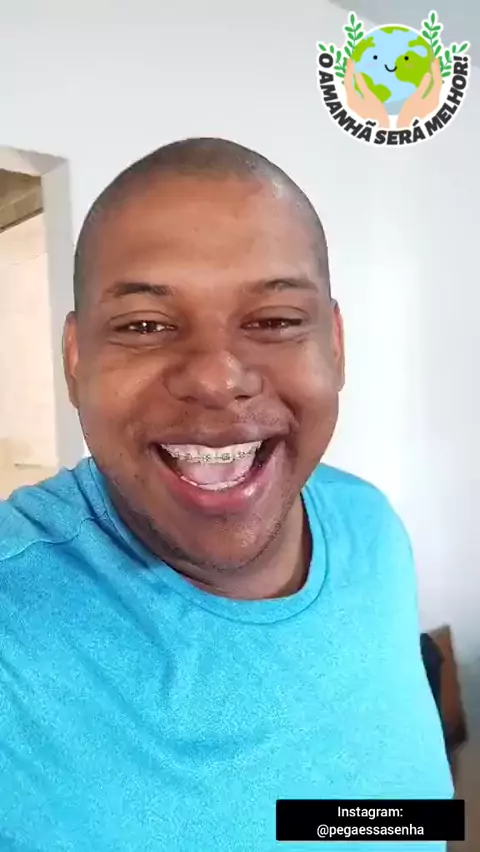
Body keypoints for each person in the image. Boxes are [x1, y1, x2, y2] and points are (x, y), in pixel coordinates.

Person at [0, 138, 452, 851]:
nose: (216, 378)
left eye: (274, 321)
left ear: (334, 345)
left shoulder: (372, 527)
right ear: (76, 360)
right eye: (145, 326)